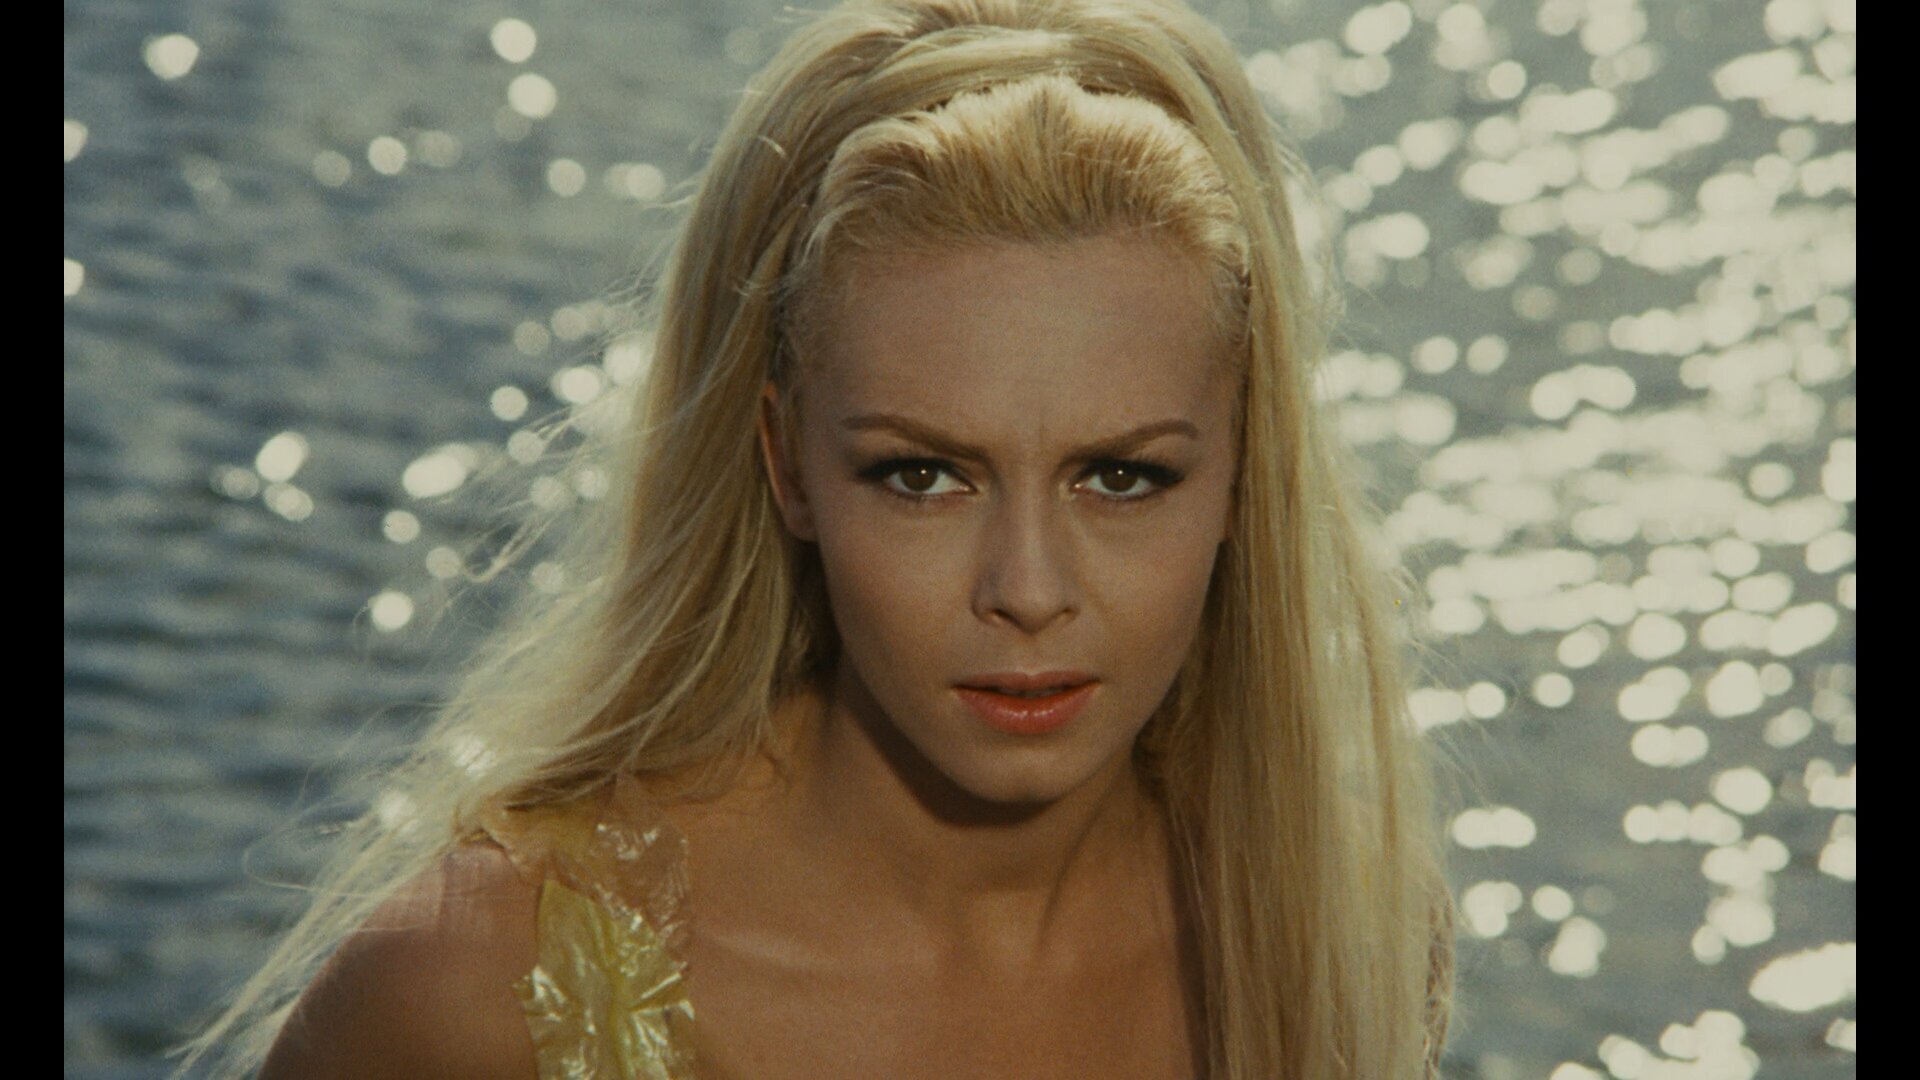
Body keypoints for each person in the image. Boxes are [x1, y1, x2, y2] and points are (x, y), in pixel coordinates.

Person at [178, 0, 1454, 1076]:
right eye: (922, 475)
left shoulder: (1341, 943)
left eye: (1122, 477)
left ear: (1243, 480)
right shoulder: (476, 991)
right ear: (788, 464)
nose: (1027, 588)